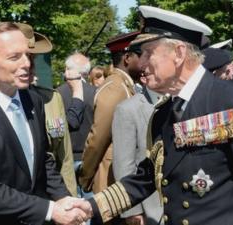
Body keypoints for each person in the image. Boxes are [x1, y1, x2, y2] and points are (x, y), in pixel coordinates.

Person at [71, 5, 233, 225]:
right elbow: (148, 176)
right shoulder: (164, 113)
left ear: (178, 53)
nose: (142, 63)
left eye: (148, 53)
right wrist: (91, 206)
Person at [0, 22, 90, 225]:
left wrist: (64, 198)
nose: (27, 64)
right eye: (15, 57)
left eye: (27, 55)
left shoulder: (33, 100)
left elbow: (43, 160)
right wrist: (50, 210)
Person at [16, 22, 78, 197]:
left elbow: (64, 156)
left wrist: (71, 199)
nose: (29, 64)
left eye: (32, 58)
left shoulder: (51, 99)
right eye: (20, 58)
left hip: (54, 197)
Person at [78, 31, 141, 194]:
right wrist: (85, 177)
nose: (146, 60)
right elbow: (98, 138)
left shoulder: (124, 85)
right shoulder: (115, 88)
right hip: (111, 180)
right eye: (141, 55)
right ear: (127, 58)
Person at [112, 73, 163, 225]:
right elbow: (124, 166)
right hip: (152, 209)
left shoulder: (180, 102)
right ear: (144, 78)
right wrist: (132, 211)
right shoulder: (127, 109)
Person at [56, 53, 96, 198]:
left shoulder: (57, 94)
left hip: (67, 157)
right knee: (91, 205)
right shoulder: (96, 93)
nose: (64, 72)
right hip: (90, 156)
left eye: (66, 68)